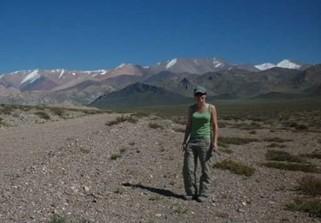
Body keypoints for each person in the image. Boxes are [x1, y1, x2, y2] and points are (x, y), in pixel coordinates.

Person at [182, 86, 219, 202]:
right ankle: (191, 192)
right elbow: (189, 125)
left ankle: (204, 193)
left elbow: (215, 126)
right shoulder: (191, 108)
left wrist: (215, 142)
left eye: (202, 95)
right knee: (188, 168)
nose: (200, 97)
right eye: (197, 95)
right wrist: (184, 141)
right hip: (192, 141)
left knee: (206, 169)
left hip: (205, 142)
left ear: (205, 95)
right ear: (195, 96)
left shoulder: (211, 108)